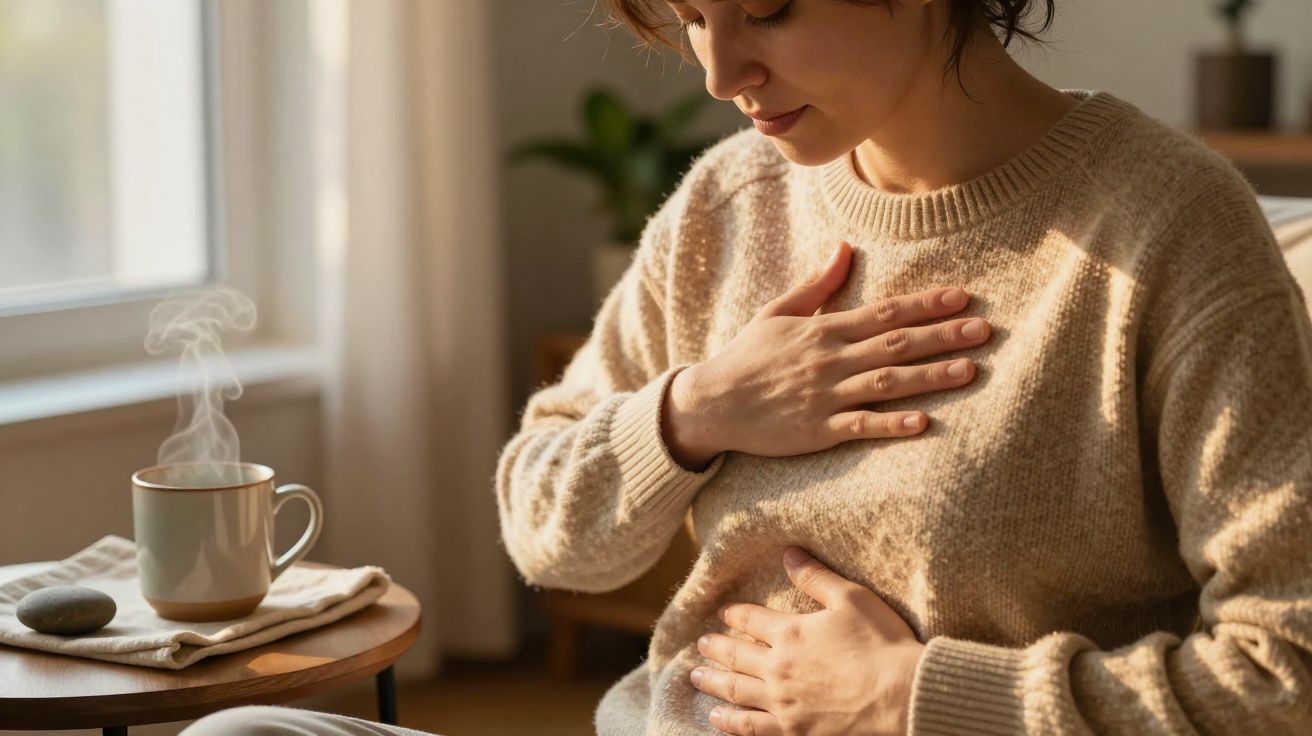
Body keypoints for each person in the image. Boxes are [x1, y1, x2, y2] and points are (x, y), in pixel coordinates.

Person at [187, 0, 1312, 734]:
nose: (721, 69)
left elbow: (1285, 670)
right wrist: (694, 411)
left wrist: (919, 697)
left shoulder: (1167, 228)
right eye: (688, 17)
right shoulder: (732, 200)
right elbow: (547, 533)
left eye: (766, 9)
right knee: (245, 732)